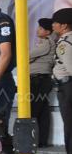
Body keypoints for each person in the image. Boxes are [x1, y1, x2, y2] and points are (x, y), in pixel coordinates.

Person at [30, 18, 57, 147]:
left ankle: (34, 141)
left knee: (35, 110)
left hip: (39, 80)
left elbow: (26, 56)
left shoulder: (46, 43)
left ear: (47, 32)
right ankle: (41, 141)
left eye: (41, 28)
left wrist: (31, 58)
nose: (38, 30)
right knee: (42, 111)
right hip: (40, 79)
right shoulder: (42, 43)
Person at [52, 8, 72, 154]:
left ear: (64, 25)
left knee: (70, 126)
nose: (53, 25)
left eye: (55, 23)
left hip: (68, 88)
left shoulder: (66, 43)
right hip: (66, 86)